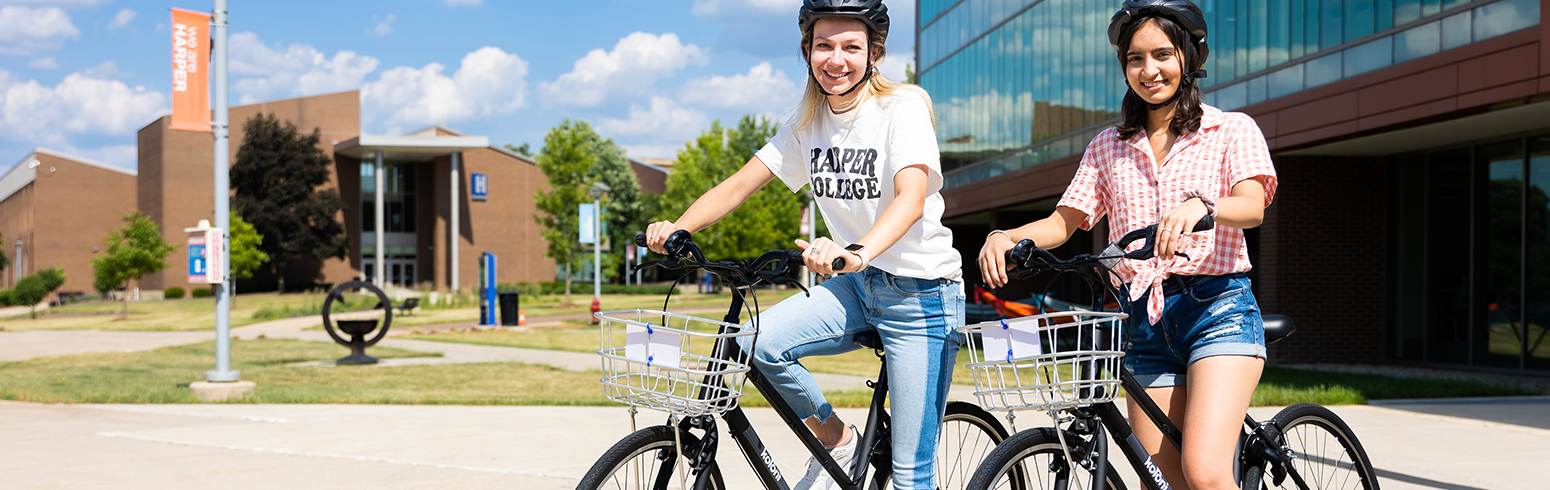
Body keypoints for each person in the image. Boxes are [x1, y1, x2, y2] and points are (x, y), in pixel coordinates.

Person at [643, 1, 963, 488]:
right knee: (756, 343)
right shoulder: (808, 121)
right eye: (824, 46)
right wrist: (678, 228)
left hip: (922, 295)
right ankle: (835, 438)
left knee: (910, 477)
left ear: (874, 53)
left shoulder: (903, 106)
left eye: (851, 47)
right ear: (807, 51)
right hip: (857, 287)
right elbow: (739, 184)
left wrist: (856, 252)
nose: (837, 59)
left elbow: (912, 199)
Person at [976, 1, 1277, 490]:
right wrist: (1003, 236)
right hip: (1143, 320)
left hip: (1217, 309)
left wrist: (1203, 206)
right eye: (1135, 58)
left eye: (1162, 54)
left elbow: (1252, 205)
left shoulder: (1231, 129)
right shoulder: (1107, 146)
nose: (1149, 70)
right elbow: (1065, 220)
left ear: (1189, 57)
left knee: (1204, 472)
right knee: (1159, 480)